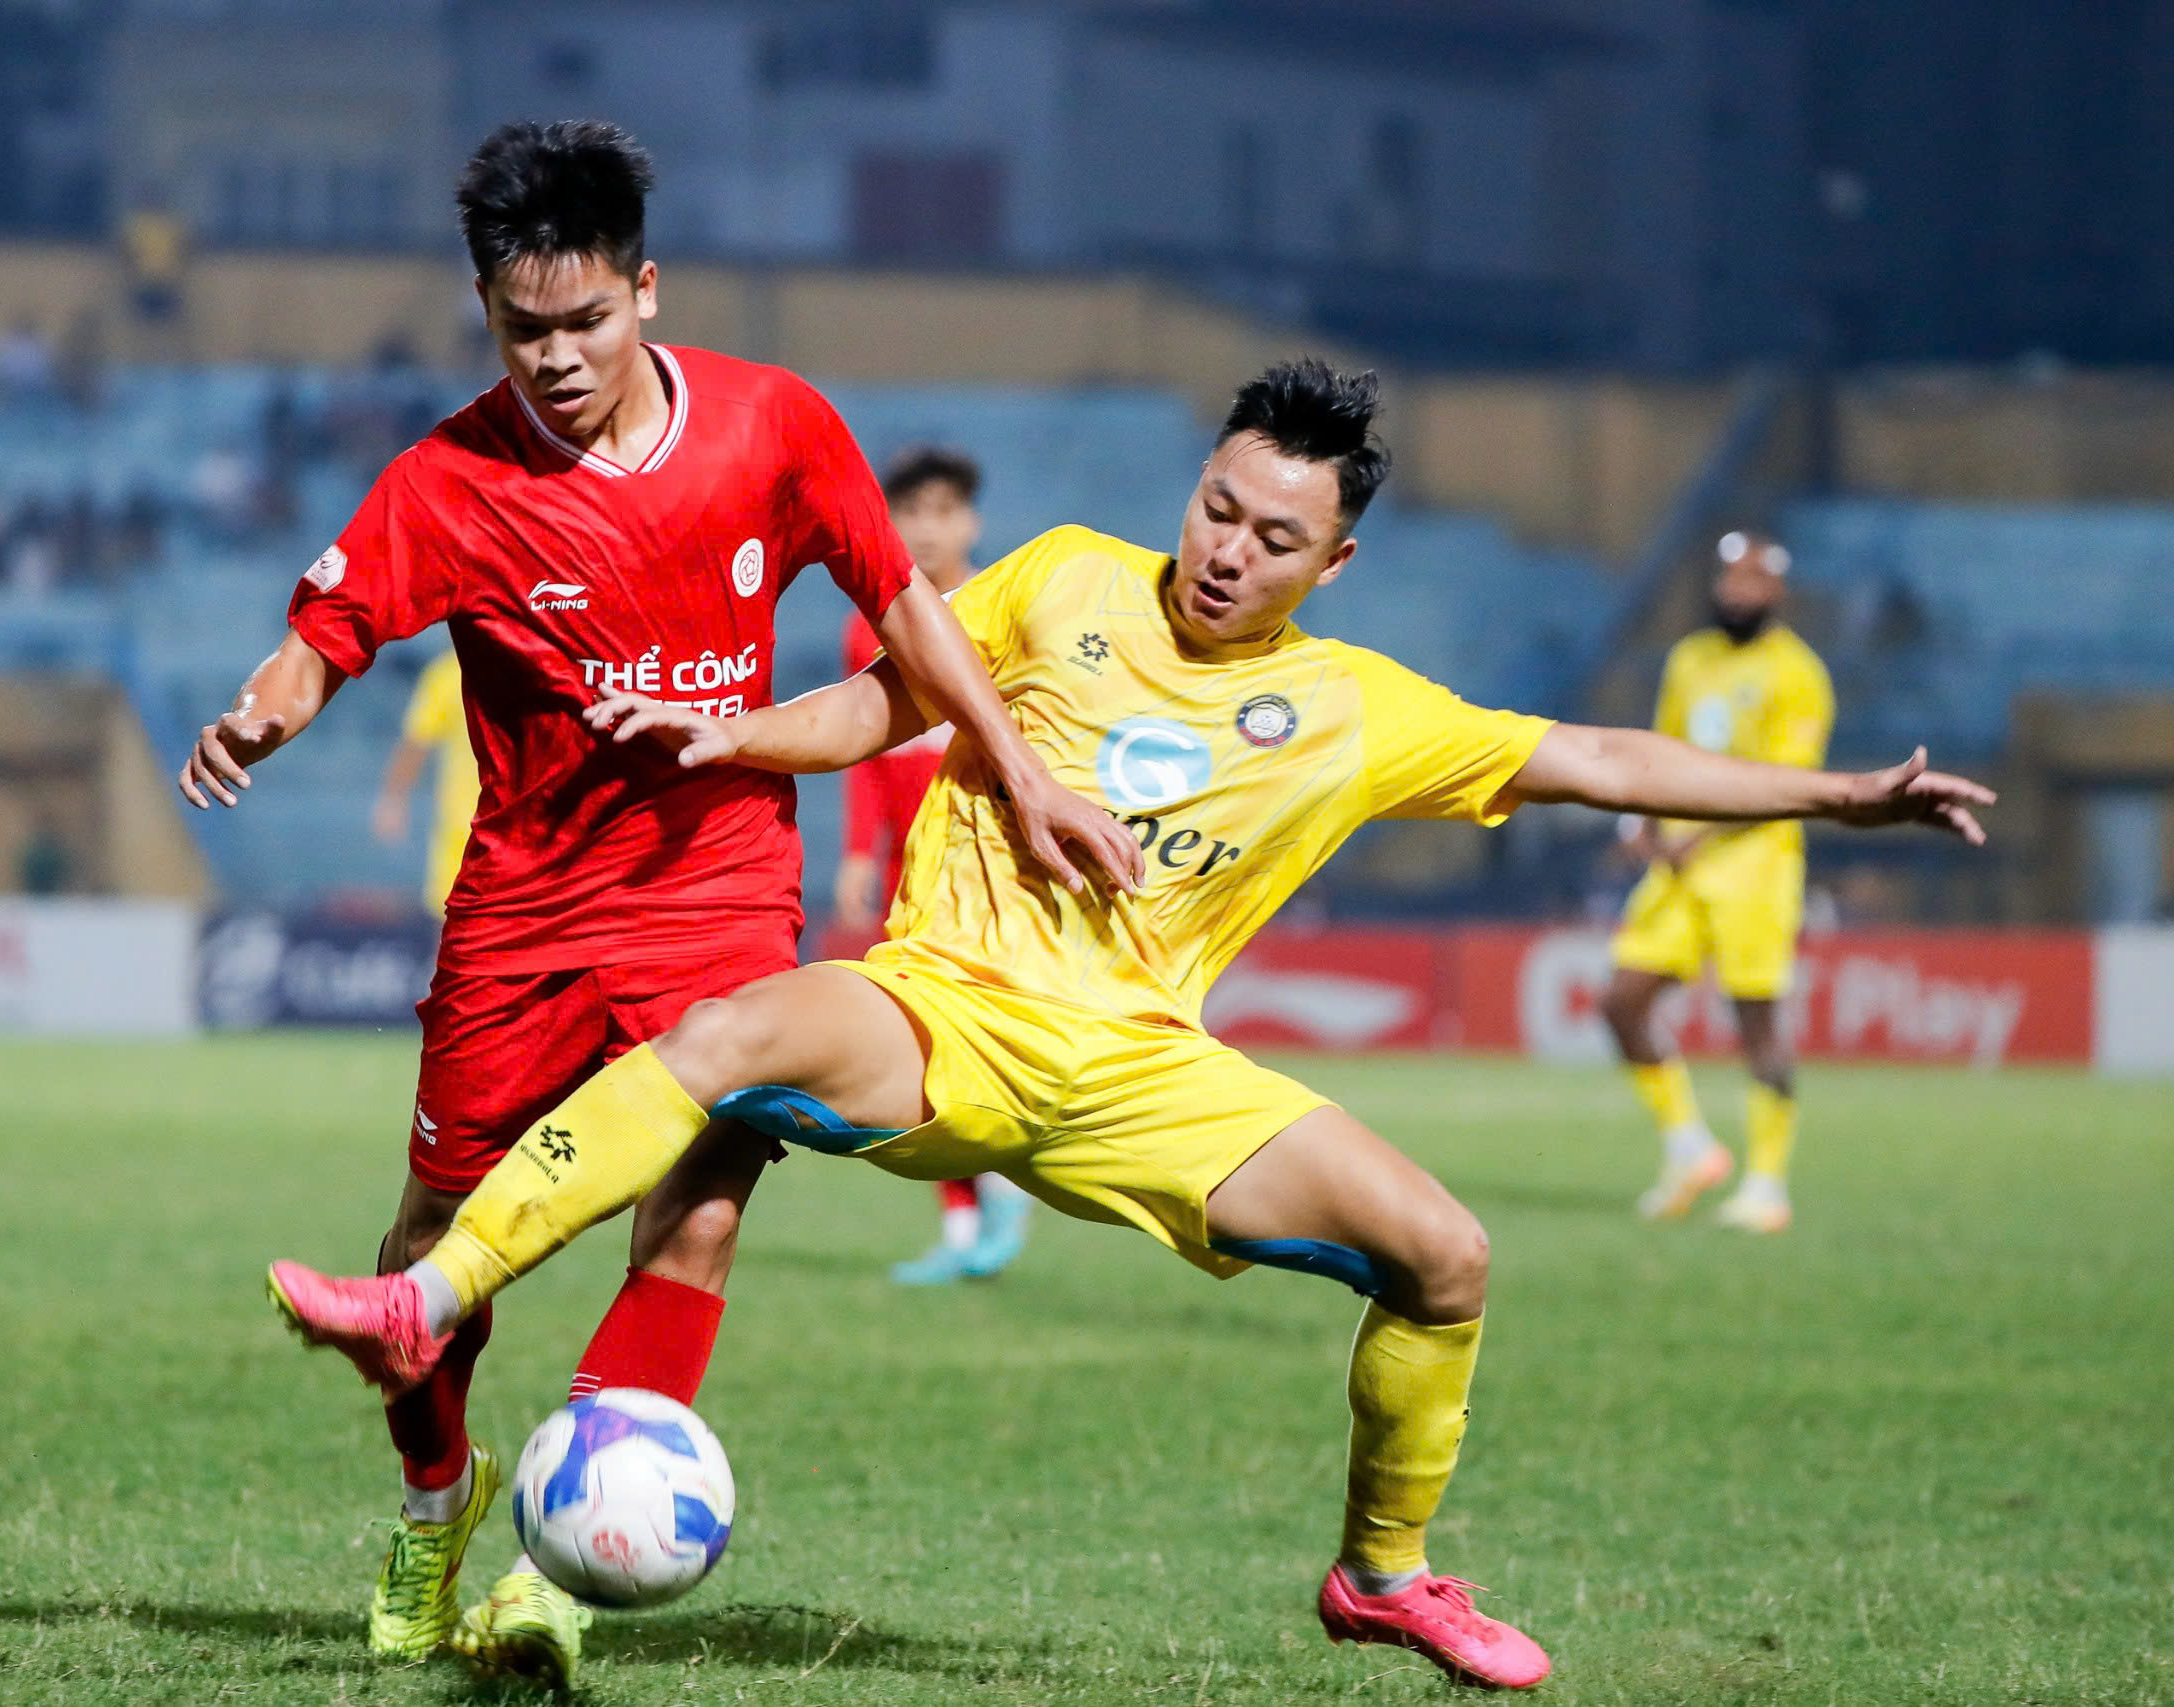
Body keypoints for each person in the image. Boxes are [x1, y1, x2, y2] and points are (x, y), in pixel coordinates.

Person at [268, 360, 1993, 1692]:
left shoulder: (1351, 708)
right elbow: (892, 692)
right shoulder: (1068, 580)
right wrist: (744, 739)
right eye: (1218, 507)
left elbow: (1599, 760)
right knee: (726, 1037)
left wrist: (1840, 797)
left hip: (1144, 1071)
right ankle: (426, 1300)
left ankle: (1381, 1576)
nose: (1228, 550)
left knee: (1450, 1252)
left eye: (1274, 536)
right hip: (936, 1009)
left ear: (1337, 557)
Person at [181, 120, 1137, 1685]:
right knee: (434, 1238)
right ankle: (438, 1498)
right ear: (486, 312)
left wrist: (1017, 768)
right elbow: (329, 629)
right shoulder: (450, 477)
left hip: (720, 892)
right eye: (520, 329)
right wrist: (266, 705)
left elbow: (901, 602)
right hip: (530, 901)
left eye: (585, 321)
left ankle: (554, 1580)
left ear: (645, 287)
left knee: (689, 1218)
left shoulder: (774, 427)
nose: (554, 358)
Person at [828, 446, 1032, 1285]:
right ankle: (964, 1216)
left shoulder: (1009, 610)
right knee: (917, 1043)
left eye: (944, 512)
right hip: (909, 870)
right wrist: (854, 850)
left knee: (981, 1034)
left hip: (989, 863)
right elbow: (869, 751)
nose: (929, 528)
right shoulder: (865, 624)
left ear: (971, 522)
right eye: (912, 512)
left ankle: (1006, 1175)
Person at [1601, 532, 1835, 1234]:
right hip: (1678, 864)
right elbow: (1663, 745)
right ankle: (1689, 1147)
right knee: (1621, 1001)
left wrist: (1697, 828)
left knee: (1755, 1019)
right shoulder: (1690, 658)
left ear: (1778, 593)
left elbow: (1789, 782)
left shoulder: (1799, 673)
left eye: (1754, 580)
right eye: (1729, 578)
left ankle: (1768, 1183)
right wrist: (1641, 818)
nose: (1738, 591)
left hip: (1755, 867)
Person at [373, 649, 480, 919]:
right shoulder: (446, 675)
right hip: (461, 835)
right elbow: (415, 744)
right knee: (453, 931)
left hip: (523, 832)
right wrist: (393, 799)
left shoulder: (533, 668)